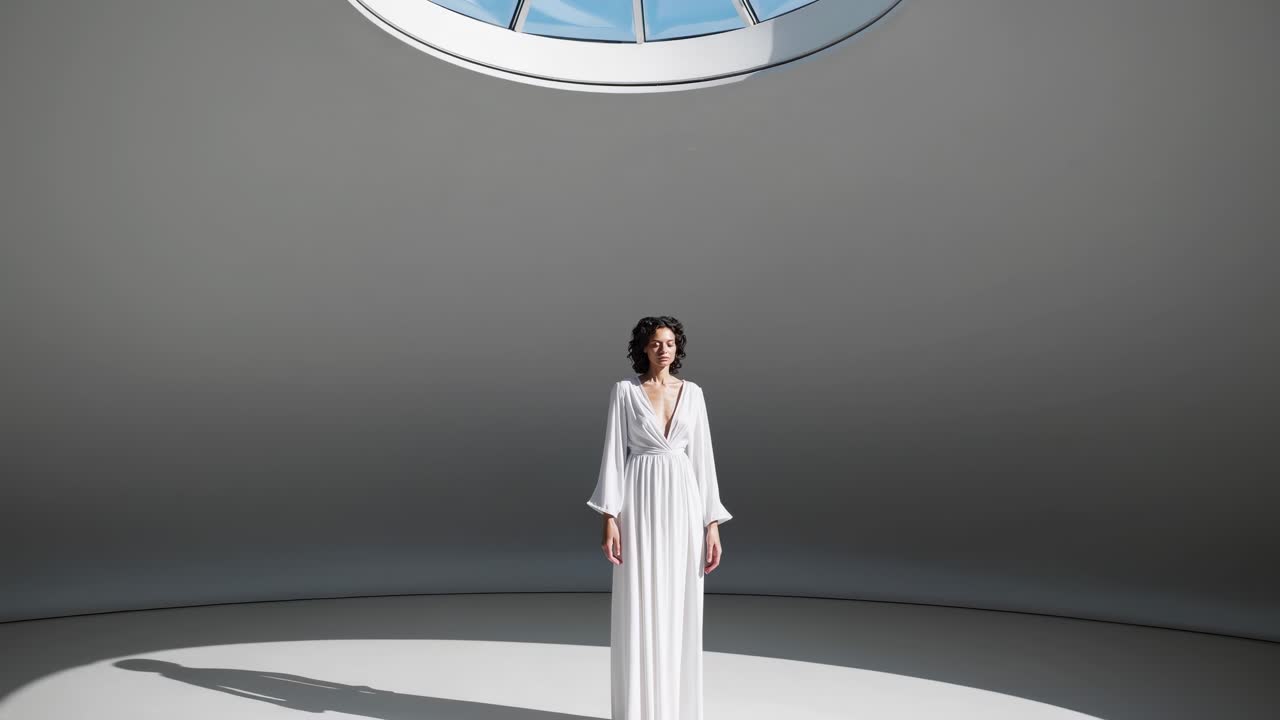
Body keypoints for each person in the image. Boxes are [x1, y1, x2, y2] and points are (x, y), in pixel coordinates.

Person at [587, 316, 733, 720]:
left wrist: (711, 524)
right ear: (643, 348)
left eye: (669, 343)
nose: (663, 350)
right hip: (639, 498)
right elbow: (614, 454)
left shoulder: (693, 394)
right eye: (655, 343)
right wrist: (609, 516)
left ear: (677, 347)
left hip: (683, 500)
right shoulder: (625, 392)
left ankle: (677, 709)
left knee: (680, 596)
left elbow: (702, 459)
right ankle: (639, 708)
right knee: (640, 595)